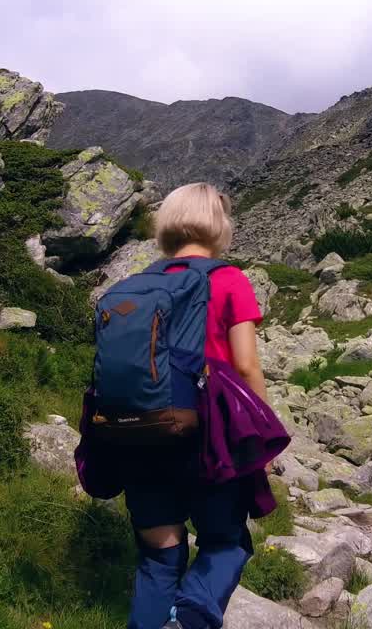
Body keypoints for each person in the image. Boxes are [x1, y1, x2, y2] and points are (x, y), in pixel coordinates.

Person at [120, 182, 268, 629]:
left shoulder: (138, 285)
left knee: (160, 557)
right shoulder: (230, 280)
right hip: (210, 438)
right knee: (225, 544)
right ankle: (190, 620)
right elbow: (244, 366)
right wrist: (262, 431)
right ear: (220, 225)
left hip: (141, 434)